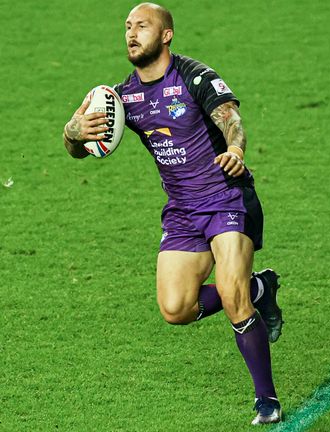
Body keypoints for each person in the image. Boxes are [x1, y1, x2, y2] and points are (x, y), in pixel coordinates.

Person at [62, 3, 284, 425]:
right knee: (175, 308)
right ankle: (260, 288)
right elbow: (77, 144)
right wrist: (73, 133)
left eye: (142, 26)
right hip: (182, 210)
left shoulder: (193, 75)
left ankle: (266, 399)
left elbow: (230, 117)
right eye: (127, 27)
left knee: (231, 295)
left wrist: (235, 148)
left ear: (165, 35)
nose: (131, 33)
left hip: (225, 198)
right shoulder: (121, 96)